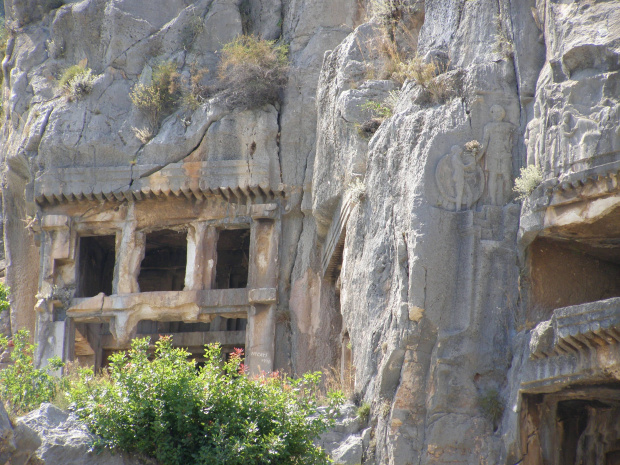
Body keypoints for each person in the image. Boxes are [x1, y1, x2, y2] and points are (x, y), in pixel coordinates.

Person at [479, 105, 514, 205]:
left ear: (503, 113)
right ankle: (493, 200)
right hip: (492, 153)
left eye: (500, 111)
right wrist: (479, 155)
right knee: (492, 176)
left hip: (505, 153)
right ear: (492, 114)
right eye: (495, 112)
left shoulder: (508, 126)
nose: (498, 113)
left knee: (507, 176)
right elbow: (485, 142)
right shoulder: (488, 127)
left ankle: (508, 199)